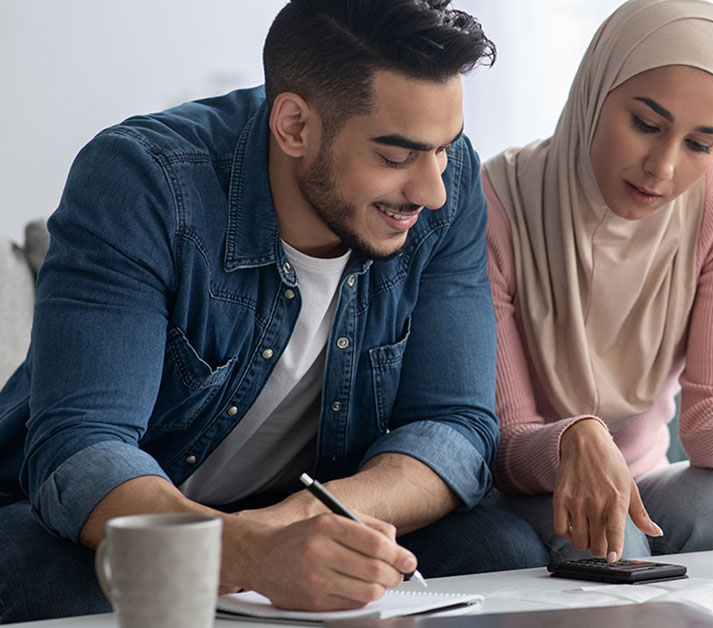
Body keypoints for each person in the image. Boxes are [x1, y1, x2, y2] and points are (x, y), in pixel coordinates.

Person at [0, 0, 549, 622]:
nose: (432, 190)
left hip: (297, 503)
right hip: (97, 518)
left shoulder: (445, 191)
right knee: (67, 581)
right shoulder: (145, 180)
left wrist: (302, 520)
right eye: (395, 158)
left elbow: (454, 425)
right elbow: (82, 446)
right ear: (293, 126)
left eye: (443, 149)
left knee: (498, 548)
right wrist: (249, 549)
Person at [481, 0, 713, 564]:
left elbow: (705, 430)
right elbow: (504, 446)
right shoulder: (497, 202)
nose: (663, 167)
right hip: (526, 490)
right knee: (611, 542)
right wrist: (573, 440)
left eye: (700, 145)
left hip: (646, 477)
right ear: (594, 91)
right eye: (646, 125)